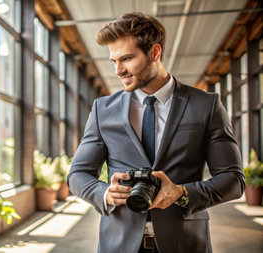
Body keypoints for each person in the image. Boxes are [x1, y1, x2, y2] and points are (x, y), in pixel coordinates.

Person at [67, 12, 245, 253]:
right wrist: (106, 193)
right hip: (118, 244)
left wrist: (182, 193)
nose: (118, 70)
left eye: (127, 59)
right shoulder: (103, 110)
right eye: (114, 61)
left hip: (185, 243)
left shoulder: (206, 105)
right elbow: (78, 174)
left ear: (155, 52)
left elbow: (233, 180)